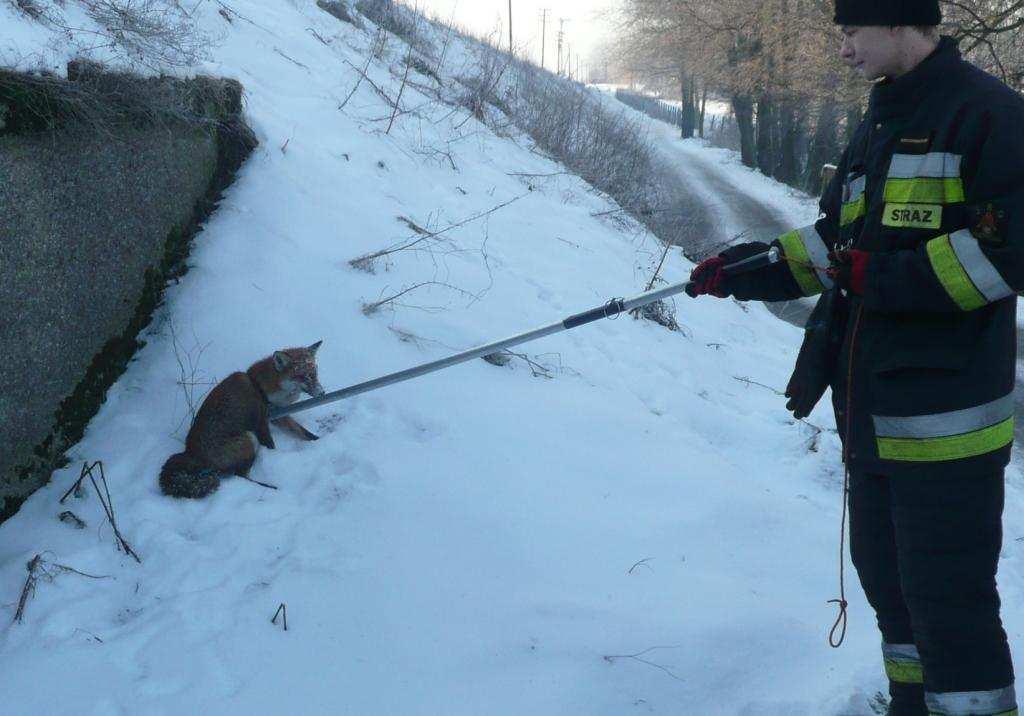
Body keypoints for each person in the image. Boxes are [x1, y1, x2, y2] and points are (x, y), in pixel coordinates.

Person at [687, 1, 1024, 714]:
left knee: (948, 600)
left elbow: (1008, 254)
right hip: (870, 413)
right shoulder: (884, 116)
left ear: (902, 22)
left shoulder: (991, 115)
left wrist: (887, 277)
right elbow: (836, 242)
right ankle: (910, 705)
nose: (842, 50)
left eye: (851, 32)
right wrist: (746, 273)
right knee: (888, 586)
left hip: (948, 422)